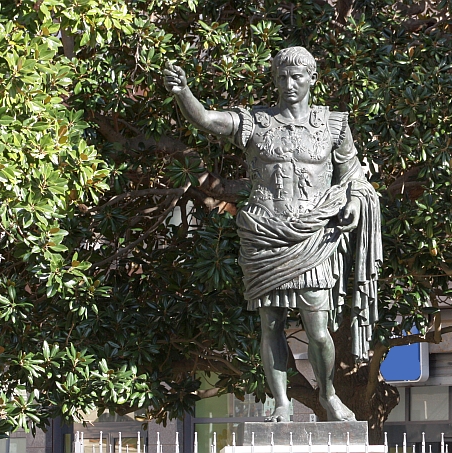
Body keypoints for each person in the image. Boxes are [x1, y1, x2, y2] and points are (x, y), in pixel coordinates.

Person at [163, 47, 382, 422]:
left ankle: (328, 394)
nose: (289, 84)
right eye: (281, 77)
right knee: (271, 324)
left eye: (297, 76)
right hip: (265, 232)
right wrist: (184, 93)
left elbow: (353, 176)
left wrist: (353, 202)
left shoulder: (332, 124)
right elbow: (209, 121)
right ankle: (281, 402)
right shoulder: (256, 122)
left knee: (318, 329)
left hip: (313, 234)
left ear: (312, 79)